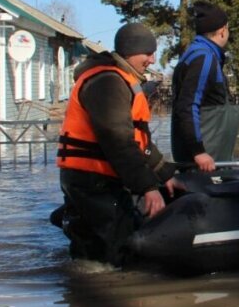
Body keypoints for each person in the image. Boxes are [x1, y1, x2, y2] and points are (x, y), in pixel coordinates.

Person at [56, 22, 181, 267]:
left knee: (101, 245)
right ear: (131, 51)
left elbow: (139, 140)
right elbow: (118, 141)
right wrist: (147, 187)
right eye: (148, 53)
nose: (152, 60)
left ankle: (84, 289)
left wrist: (164, 173)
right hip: (92, 181)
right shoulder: (107, 83)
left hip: (98, 179)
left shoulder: (121, 80)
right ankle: (104, 294)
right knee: (115, 250)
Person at [171, 0, 239, 171]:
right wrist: (198, 151)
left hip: (211, 154)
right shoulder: (204, 58)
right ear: (223, 31)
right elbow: (187, 106)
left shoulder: (196, 53)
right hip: (205, 159)